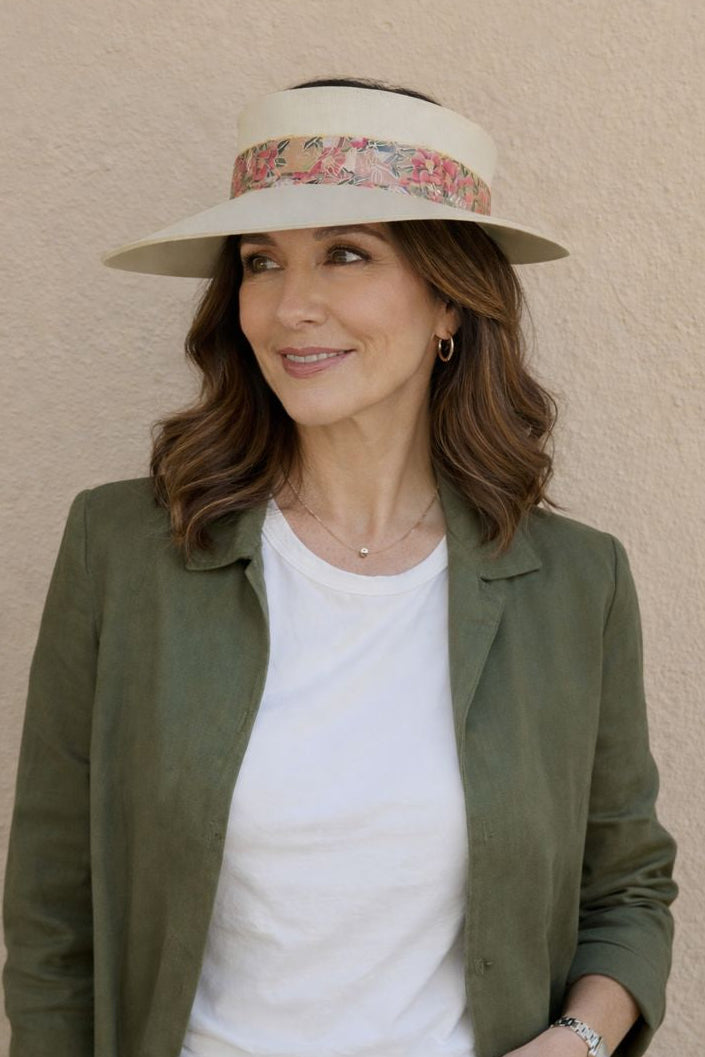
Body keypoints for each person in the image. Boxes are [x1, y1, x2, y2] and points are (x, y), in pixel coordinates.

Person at [2, 77, 677, 1057]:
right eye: (261, 263)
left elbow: (628, 887)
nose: (290, 306)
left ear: (450, 298)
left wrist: (574, 1039)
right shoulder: (126, 549)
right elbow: (54, 904)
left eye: (346, 254)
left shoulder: (575, 582)